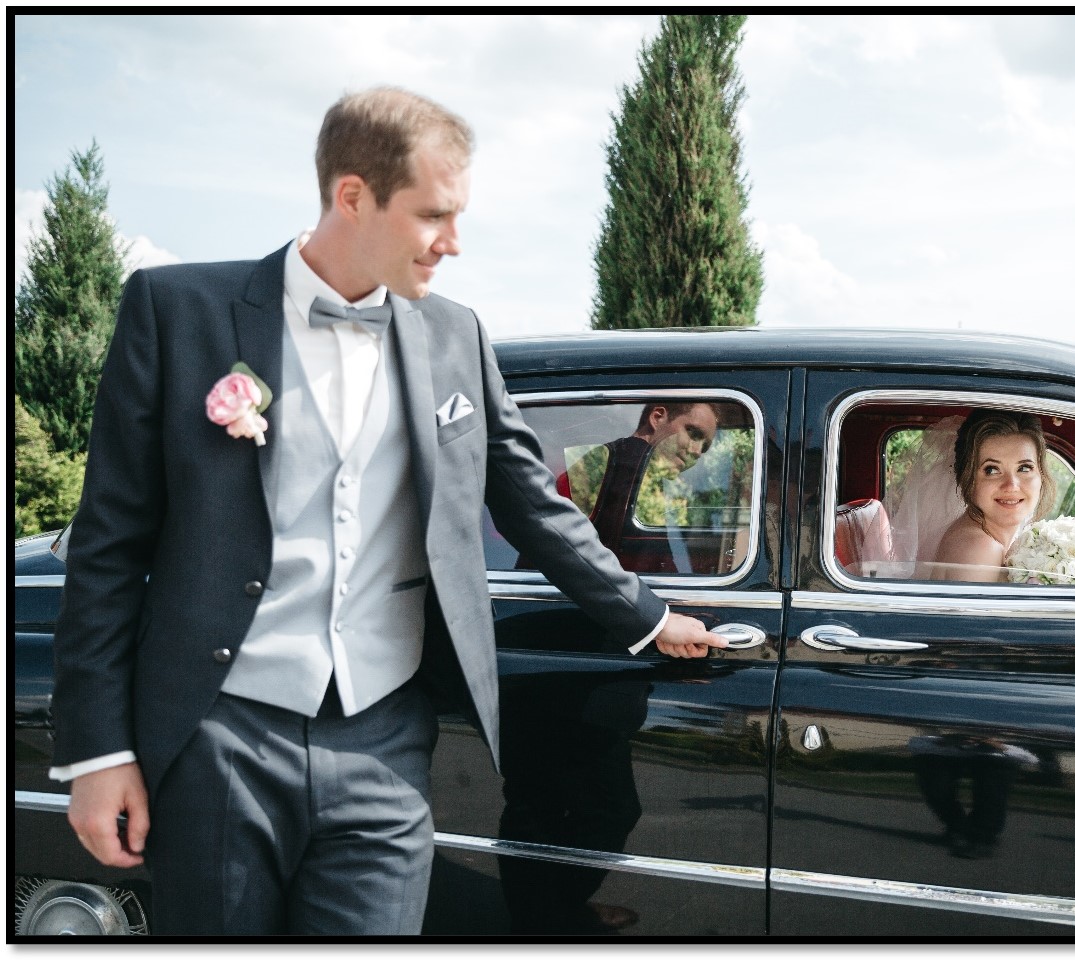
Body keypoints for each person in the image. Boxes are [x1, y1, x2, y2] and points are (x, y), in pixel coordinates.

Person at [48, 86, 725, 936]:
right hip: (220, 733)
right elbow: (107, 549)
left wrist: (647, 614)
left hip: (386, 742)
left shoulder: (456, 334)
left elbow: (529, 503)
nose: (454, 242)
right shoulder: (176, 311)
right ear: (354, 195)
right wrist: (99, 753)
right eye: (434, 215)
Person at [559, 402, 720, 572]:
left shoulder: (653, 482)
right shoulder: (605, 465)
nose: (697, 451)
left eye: (705, 447)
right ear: (657, 418)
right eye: (693, 433)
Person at [934, 409, 1056, 582]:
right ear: (967, 478)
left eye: (1024, 468)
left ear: (1041, 475)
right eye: (991, 470)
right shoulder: (980, 549)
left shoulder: (982, 537)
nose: (1011, 486)